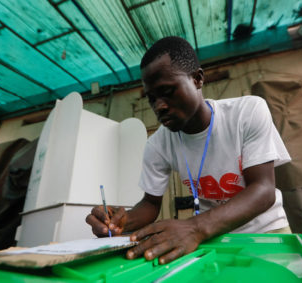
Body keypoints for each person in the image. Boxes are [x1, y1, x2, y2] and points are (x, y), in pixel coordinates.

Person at [86, 36, 291, 264]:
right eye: (152, 99)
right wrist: (121, 222)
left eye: (167, 91)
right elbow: (151, 204)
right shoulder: (157, 145)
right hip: (213, 239)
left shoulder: (247, 112)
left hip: (266, 235)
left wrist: (195, 228)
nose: (159, 107)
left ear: (197, 79)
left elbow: (263, 190)